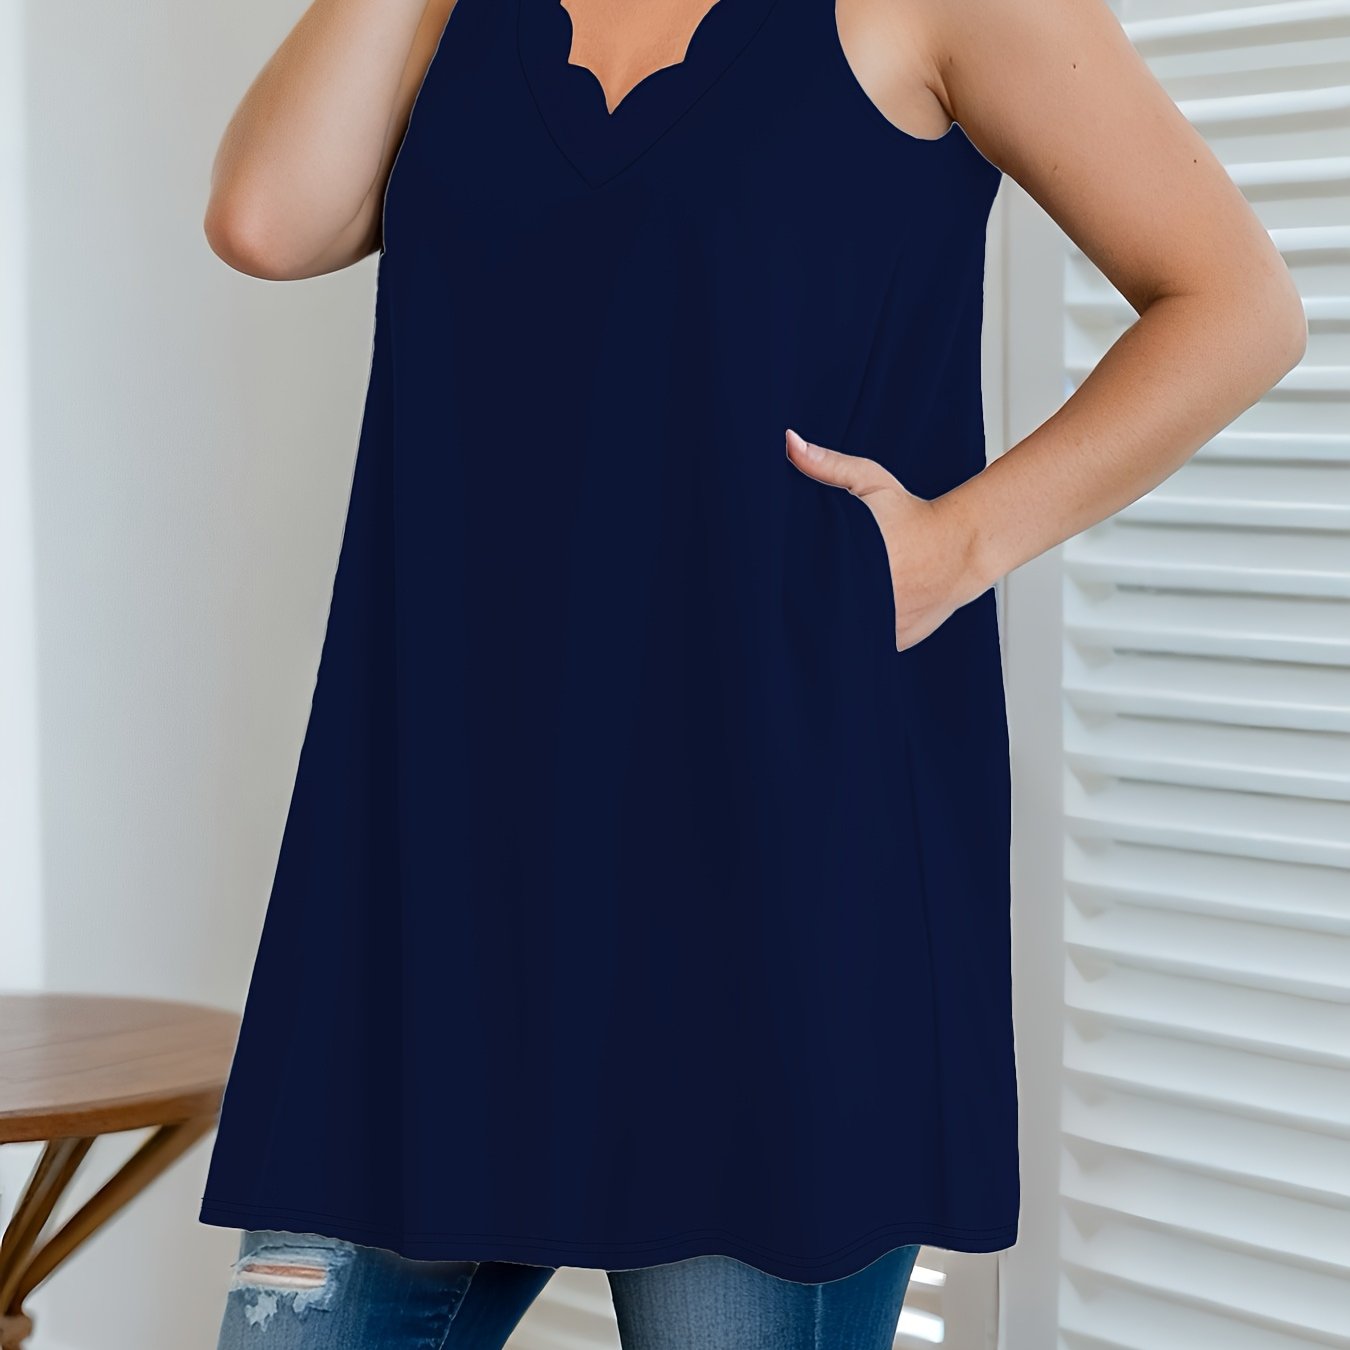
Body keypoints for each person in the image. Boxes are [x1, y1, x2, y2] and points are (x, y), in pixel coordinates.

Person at [197, 0, 1306, 1345]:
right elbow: (267, 222)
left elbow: (1236, 304)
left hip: (771, 890)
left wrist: (956, 544)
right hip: (439, 877)